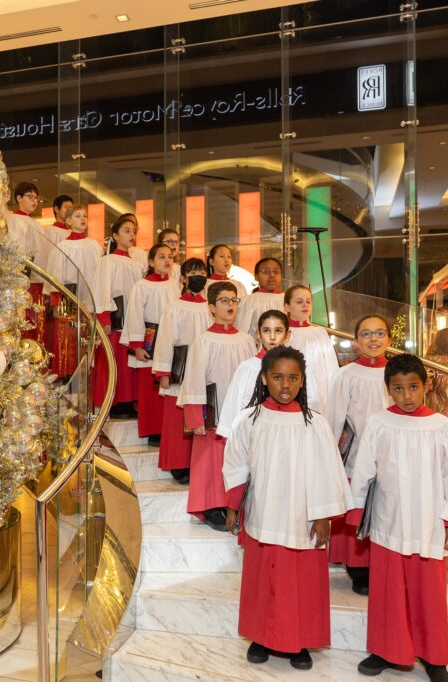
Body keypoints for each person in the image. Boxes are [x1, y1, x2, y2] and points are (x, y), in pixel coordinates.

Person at [349, 354, 448, 682]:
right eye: (399, 389)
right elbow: (364, 471)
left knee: (429, 593)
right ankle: (385, 649)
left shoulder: (444, 429)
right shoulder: (379, 423)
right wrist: (358, 512)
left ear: (425, 387)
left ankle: (434, 657)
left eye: (413, 387)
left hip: (429, 524)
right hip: (388, 521)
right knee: (387, 591)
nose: (407, 395)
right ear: (389, 391)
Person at [223, 346, 352, 669]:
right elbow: (237, 465)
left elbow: (328, 470)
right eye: (278, 377)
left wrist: (323, 516)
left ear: (302, 381)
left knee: (303, 584)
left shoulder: (315, 423)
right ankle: (260, 637)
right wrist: (233, 507)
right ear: (264, 379)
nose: (285, 384)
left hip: (303, 515)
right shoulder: (249, 420)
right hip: (263, 511)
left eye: (293, 378)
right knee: (262, 580)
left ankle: (300, 641)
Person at [178, 281, 256, 530]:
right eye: (224, 300)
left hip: (240, 412)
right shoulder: (203, 340)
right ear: (211, 307)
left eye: (234, 300)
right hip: (213, 408)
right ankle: (212, 506)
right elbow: (193, 378)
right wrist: (196, 417)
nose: (230, 305)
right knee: (210, 458)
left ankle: (234, 503)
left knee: (237, 457)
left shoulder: (246, 340)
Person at [326, 314, 393, 595]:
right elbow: (333, 419)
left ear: (389, 339)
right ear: (356, 342)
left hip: (393, 455)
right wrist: (330, 457)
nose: (373, 339)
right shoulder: (345, 374)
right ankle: (359, 568)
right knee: (359, 506)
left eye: (380, 333)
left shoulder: (398, 373)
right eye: (366, 334)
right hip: (357, 453)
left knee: (387, 509)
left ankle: (386, 562)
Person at [152, 258, 212, 484]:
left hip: (205, 365)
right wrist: (163, 372)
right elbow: (166, 338)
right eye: (193, 272)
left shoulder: (211, 306)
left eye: (202, 272)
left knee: (202, 416)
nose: (198, 276)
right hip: (181, 363)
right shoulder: (175, 305)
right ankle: (179, 465)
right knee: (178, 417)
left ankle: (199, 464)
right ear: (184, 279)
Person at [121, 244, 179, 445]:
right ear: (152, 262)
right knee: (151, 390)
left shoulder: (175, 285)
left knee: (167, 389)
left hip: (170, 341)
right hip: (150, 339)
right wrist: (137, 345)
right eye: (161, 257)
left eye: (170, 257)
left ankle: (167, 429)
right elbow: (135, 314)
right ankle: (153, 431)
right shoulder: (142, 285)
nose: (167, 260)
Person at [44, 203, 104, 378]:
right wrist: (56, 305)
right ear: (68, 221)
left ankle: (89, 374)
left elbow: (101, 274)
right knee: (69, 338)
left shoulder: (94, 245)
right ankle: (68, 373)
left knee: (90, 338)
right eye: (78, 216)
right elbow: (55, 276)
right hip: (69, 300)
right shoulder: (62, 247)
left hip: (92, 299)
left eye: (85, 216)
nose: (83, 219)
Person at [93, 218, 144, 414]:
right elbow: (101, 289)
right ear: (115, 235)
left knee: (129, 362)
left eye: (133, 231)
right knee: (114, 360)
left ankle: (128, 401)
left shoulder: (136, 264)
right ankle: (112, 402)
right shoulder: (108, 260)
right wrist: (104, 317)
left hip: (133, 317)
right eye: (126, 231)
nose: (131, 235)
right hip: (115, 317)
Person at [217, 310, 290, 440]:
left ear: (287, 335)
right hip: (252, 438)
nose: (272, 337)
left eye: (278, 331)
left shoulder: (296, 368)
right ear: (258, 334)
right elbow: (233, 406)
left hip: (286, 436)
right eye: (266, 330)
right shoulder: (247, 368)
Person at [6, 182, 54, 342]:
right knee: (23, 320)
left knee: (35, 322)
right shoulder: (14, 219)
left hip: (37, 281)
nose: (34, 201)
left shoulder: (37, 224)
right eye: (30, 197)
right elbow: (17, 249)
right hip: (22, 280)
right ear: (19, 198)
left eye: (36, 198)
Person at [284, 284, 339, 417]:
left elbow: (331, 368)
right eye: (299, 302)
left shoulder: (319, 332)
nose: (305, 305)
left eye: (308, 301)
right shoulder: (282, 332)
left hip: (319, 394)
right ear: (287, 306)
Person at [235, 257, 284, 339]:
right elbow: (241, 331)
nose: (272, 275)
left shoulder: (288, 299)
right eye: (266, 272)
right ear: (256, 276)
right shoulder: (249, 301)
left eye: (276, 272)